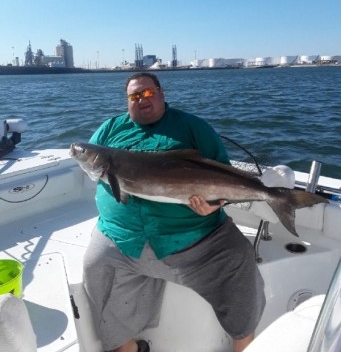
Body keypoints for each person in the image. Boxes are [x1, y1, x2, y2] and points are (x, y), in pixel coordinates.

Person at [83, 72, 265, 352]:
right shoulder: (109, 130)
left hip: (194, 239)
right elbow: (94, 164)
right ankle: (127, 347)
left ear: (161, 93)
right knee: (94, 269)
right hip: (120, 238)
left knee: (239, 262)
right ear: (127, 101)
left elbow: (223, 177)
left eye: (147, 93)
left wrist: (215, 204)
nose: (141, 100)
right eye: (134, 96)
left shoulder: (194, 127)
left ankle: (244, 345)